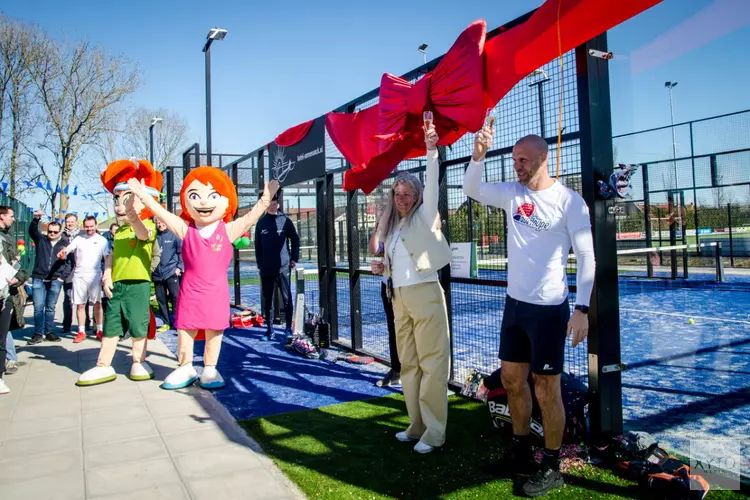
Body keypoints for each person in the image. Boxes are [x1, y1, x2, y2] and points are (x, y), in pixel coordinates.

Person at [463, 129, 595, 496]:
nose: (516, 166)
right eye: (513, 159)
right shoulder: (512, 193)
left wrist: (581, 308)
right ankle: (521, 453)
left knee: (546, 389)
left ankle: (551, 466)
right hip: (515, 307)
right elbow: (473, 189)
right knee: (510, 380)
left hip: (550, 310)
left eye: (523, 159)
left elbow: (587, 256)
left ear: (543, 158)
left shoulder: (570, 202)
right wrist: (478, 156)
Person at [127, 166, 278, 390]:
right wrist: (144, 197)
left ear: (226, 201)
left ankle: (210, 368)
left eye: (213, 196)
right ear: (186, 200)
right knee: (185, 328)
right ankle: (185, 366)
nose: (204, 203)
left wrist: (265, 201)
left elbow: (250, 218)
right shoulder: (185, 229)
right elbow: (162, 213)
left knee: (214, 330)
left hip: (216, 292)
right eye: (195, 195)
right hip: (190, 290)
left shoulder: (228, 230)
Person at [370, 119, 452, 454]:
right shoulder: (392, 225)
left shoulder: (423, 214)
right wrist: (382, 267)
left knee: (433, 363)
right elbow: (394, 261)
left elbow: (433, 184)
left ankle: (435, 432)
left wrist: (431, 150)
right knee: (409, 363)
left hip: (426, 293)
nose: (403, 198)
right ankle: (416, 424)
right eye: (398, 193)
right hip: (399, 297)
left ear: (417, 196)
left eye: (409, 194)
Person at [76, 159, 161, 386]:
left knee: (138, 325)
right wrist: (106, 276)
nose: (119, 206)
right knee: (112, 326)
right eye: (117, 200)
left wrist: (133, 213)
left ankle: (138, 361)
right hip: (117, 285)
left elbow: (143, 234)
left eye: (126, 200)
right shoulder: (119, 232)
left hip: (138, 284)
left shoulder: (148, 226)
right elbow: (112, 257)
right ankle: (103, 365)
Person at [254, 190, 299, 340]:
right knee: (268, 300)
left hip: (284, 268)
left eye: (275, 204)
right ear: (266, 206)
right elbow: (258, 246)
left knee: (287, 298)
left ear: (278, 204)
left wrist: (294, 258)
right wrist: (260, 264)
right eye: (270, 204)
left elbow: (295, 239)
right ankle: (270, 330)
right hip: (266, 269)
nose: (273, 206)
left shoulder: (285, 221)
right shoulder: (261, 223)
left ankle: (287, 329)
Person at [58, 216, 109, 343]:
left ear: (96, 226)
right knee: (80, 305)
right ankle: (81, 332)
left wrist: (106, 275)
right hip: (79, 276)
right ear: (83, 226)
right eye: (87, 226)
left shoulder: (102, 240)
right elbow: (68, 249)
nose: (89, 228)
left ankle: (100, 330)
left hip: (95, 276)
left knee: (97, 304)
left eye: (91, 226)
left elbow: (107, 258)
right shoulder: (79, 239)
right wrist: (63, 253)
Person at [27, 212, 71, 345]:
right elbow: (32, 231)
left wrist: (62, 277)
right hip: (39, 277)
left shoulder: (65, 244)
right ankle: (38, 333)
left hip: (55, 279)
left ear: (59, 232)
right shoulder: (41, 240)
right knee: (38, 307)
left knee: (50, 307)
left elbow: (70, 262)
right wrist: (36, 219)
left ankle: (49, 331)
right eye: (49, 231)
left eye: (54, 232)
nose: (51, 234)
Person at [0, 205, 29, 394]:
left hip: (4, 294)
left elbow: (19, 268)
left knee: (2, 337)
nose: (13, 219)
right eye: (11, 216)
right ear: (1, 216)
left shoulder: (7, 238)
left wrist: (18, 277)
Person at [368, 226, 400, 387]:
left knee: (412, 332)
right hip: (388, 287)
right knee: (393, 331)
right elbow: (374, 250)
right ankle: (396, 370)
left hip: (407, 287)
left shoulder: (415, 223)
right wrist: (378, 228)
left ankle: (416, 373)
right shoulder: (389, 226)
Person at [152, 217, 183, 331]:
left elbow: (181, 252)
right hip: (157, 273)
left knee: (175, 297)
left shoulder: (174, 235)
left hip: (170, 271)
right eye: (158, 223)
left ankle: (178, 321)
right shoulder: (154, 236)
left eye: (162, 222)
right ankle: (166, 322)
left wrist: (179, 267)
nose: (160, 225)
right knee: (161, 299)